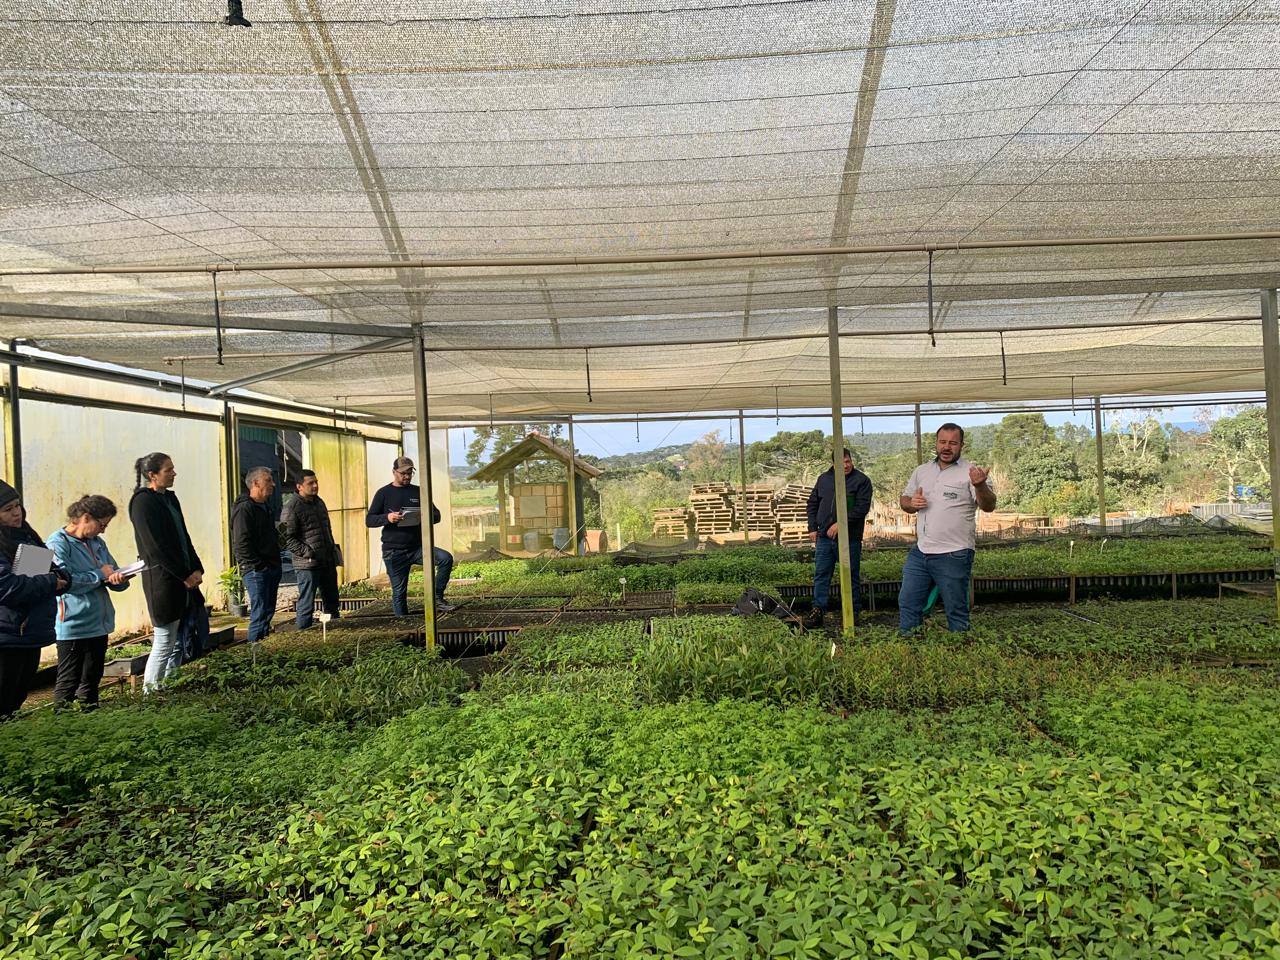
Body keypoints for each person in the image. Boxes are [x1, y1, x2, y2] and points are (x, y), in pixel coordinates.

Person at [898, 423, 997, 633]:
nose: (946, 447)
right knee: (908, 602)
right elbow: (904, 500)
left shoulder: (971, 473)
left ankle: (959, 651)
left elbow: (989, 506)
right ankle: (909, 646)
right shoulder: (922, 471)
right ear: (936, 443)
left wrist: (980, 485)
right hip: (921, 551)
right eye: (942, 442)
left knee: (956, 609)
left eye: (953, 443)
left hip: (954, 552)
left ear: (961, 445)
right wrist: (911, 503)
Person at [129, 452, 204, 692]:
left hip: (183, 578)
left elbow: (183, 537)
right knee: (163, 639)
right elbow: (156, 547)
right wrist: (184, 574)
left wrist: (196, 567)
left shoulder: (170, 499)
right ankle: (150, 690)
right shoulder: (143, 503)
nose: (173, 473)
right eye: (168, 470)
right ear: (152, 475)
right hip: (163, 580)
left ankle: (170, 683)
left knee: (177, 639)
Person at [48, 495, 130, 709]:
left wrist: (119, 579)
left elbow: (110, 570)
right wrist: (99, 575)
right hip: (73, 624)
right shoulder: (57, 543)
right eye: (102, 524)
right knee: (68, 681)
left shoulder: (97, 543)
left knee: (91, 680)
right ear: (85, 518)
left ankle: (90, 722)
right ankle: (61, 726)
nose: (103, 531)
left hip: (98, 622)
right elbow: (63, 582)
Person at [0, 479, 69, 718]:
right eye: (8, 509)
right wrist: (50, 582)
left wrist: (60, 577)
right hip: (7, 636)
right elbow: (7, 588)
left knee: (15, 699)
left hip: (28, 633)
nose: (16, 512)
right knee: (4, 701)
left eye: (18, 505)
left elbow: (47, 570)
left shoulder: (25, 535)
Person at [366, 456, 454, 617]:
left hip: (418, 548)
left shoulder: (418, 491)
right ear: (394, 472)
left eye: (409, 473)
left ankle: (437, 597)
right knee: (399, 591)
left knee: (445, 558)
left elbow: (437, 515)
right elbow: (370, 520)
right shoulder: (384, 493)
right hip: (394, 551)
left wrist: (424, 515)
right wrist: (388, 518)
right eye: (403, 473)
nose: (406, 476)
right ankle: (402, 624)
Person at [804, 448, 873, 629]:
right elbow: (812, 503)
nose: (846, 465)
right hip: (825, 539)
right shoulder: (824, 479)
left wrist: (841, 523)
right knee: (821, 575)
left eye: (848, 461)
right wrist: (812, 527)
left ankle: (852, 612)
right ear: (833, 463)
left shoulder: (862, 481)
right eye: (841, 462)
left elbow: (861, 508)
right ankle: (818, 611)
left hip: (850, 539)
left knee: (850, 576)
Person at [282, 469, 341, 630]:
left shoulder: (318, 502)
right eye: (310, 483)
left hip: (326, 560)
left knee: (332, 601)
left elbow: (326, 529)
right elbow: (287, 538)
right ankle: (304, 635)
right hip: (308, 564)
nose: (315, 486)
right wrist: (308, 552)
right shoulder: (293, 507)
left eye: (316, 482)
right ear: (299, 486)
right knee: (306, 603)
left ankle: (334, 631)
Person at [231, 466, 282, 643]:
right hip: (256, 570)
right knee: (259, 613)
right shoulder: (245, 509)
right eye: (268, 480)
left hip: (270, 566)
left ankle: (264, 648)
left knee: (267, 612)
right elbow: (241, 543)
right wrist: (257, 565)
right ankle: (254, 653)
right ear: (255, 483)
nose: (273, 484)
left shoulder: (264, 507)